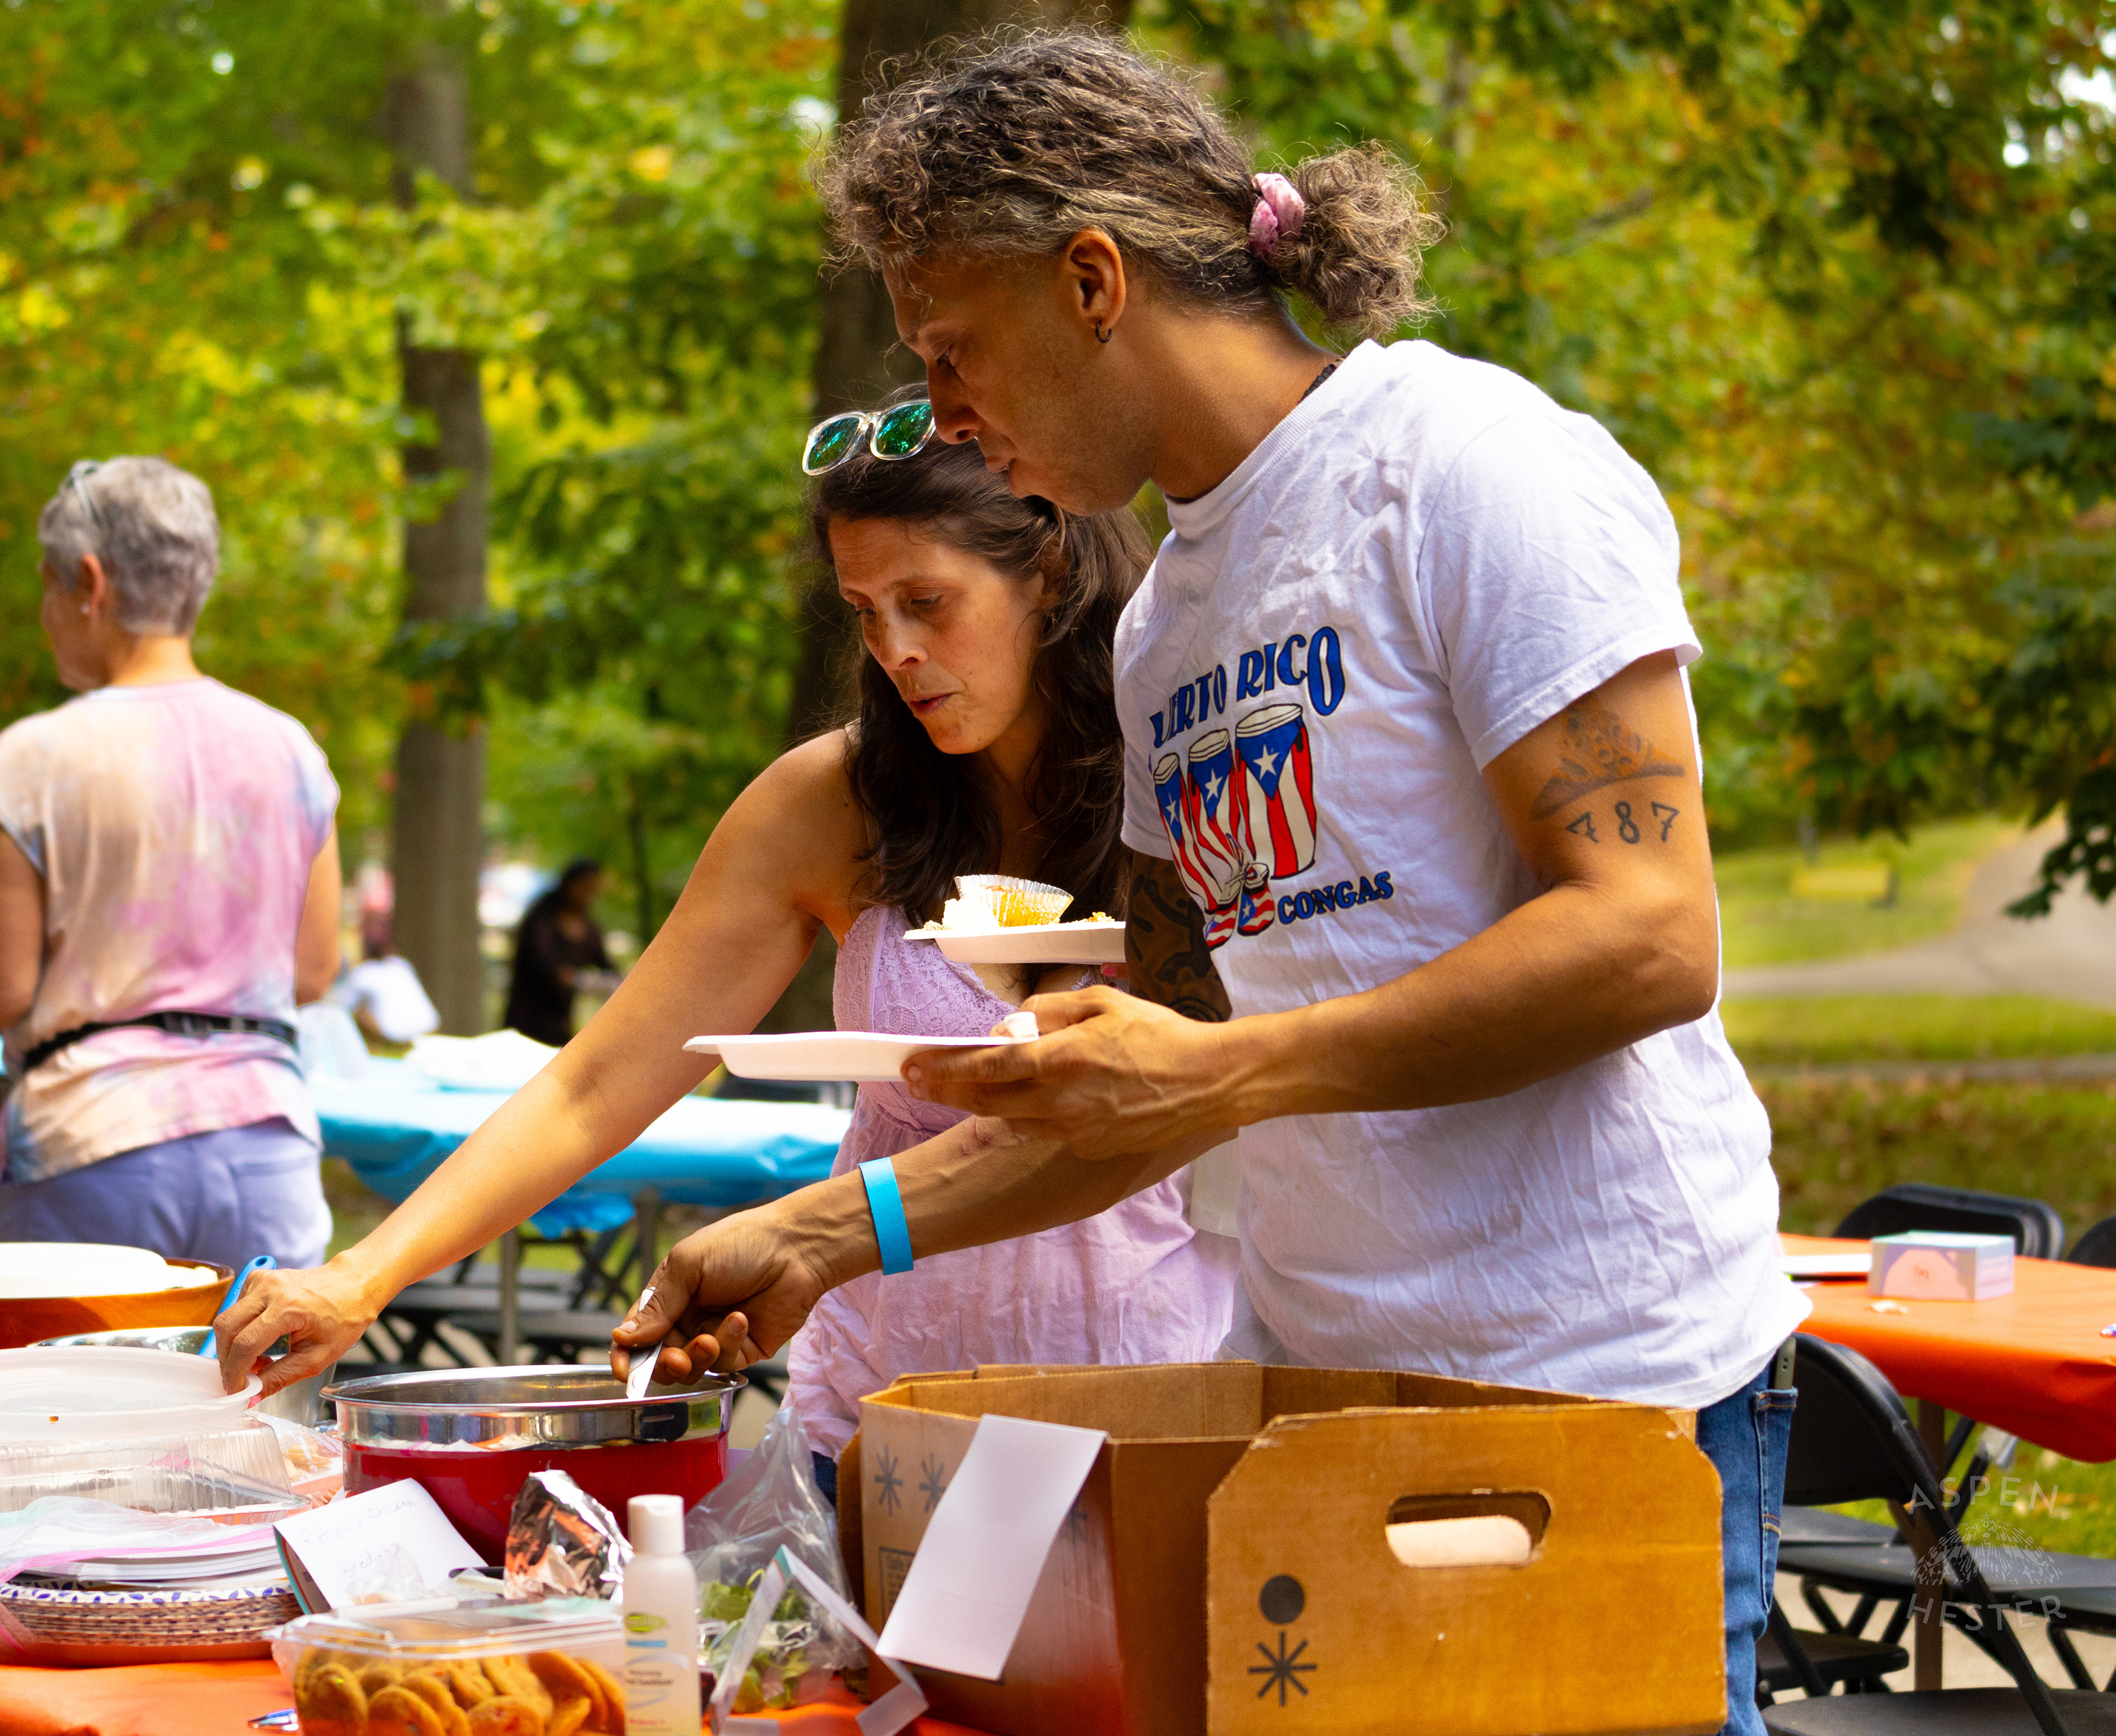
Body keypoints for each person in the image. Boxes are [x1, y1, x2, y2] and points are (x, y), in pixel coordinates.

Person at [592, 35, 1805, 1736]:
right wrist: (816, 1233)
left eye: (951, 349)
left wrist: (1217, 1069)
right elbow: (1147, 1080)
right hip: (1323, 1402)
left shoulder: (1460, 463)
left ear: (1090, 279)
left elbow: (1648, 936)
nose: (939, 409)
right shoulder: (1166, 630)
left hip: (1602, 1394)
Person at [214, 407, 1239, 1459]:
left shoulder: (1191, 776)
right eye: (863, 611)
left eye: (928, 602)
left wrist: (813, 1230)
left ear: (1052, 569)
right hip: (881, 1412)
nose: (897, 652)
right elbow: (594, 1082)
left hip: (1146, 1392)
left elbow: (1155, 1104)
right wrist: (364, 1274)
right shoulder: (834, 803)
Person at [0, 456, 344, 1272]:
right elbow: (313, 971)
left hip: (92, 1149)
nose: (46, 611)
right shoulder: (293, 751)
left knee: (65, 1401)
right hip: (266, 1147)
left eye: (49, 586)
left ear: (89, 583)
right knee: (258, 1401)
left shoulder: (35, 757)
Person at [501, 859, 619, 1047]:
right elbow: (543, 965)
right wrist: (575, 979)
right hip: (528, 1016)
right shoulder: (542, 921)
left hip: (561, 1021)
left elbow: (606, 965)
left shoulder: (589, 928)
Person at [327, 883, 441, 1049]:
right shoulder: (401, 965)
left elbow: (338, 1005)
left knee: (357, 1013)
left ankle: (371, 1049)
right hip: (430, 1030)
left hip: (397, 1039)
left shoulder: (363, 973)